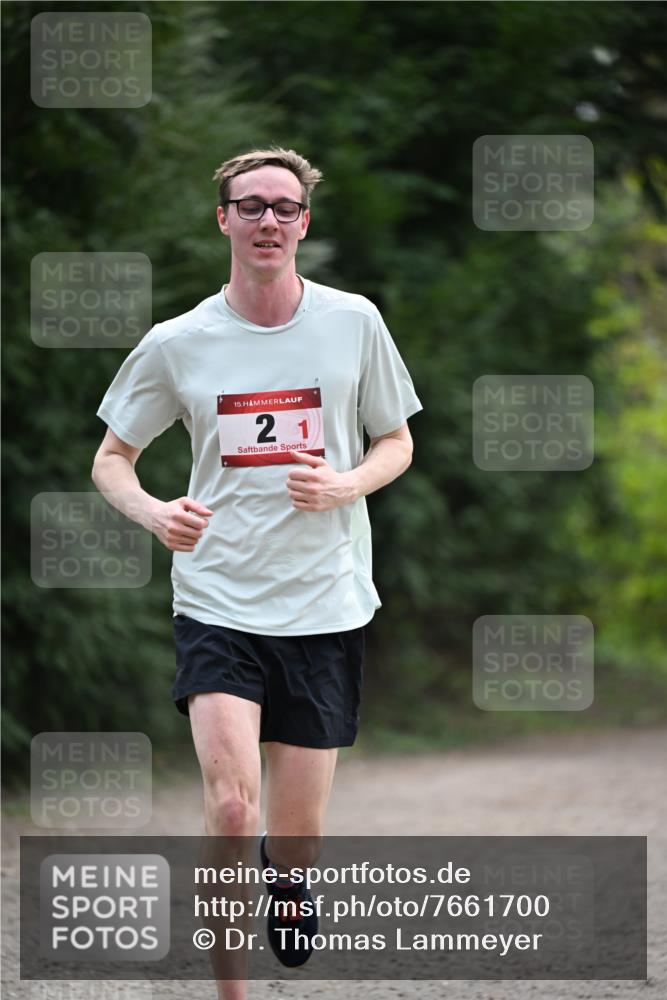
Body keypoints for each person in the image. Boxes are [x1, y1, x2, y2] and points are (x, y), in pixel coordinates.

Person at [92, 147, 422, 998]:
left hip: (324, 604)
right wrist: (154, 513)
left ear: (304, 223)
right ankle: (231, 993)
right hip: (217, 602)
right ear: (224, 221)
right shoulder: (179, 342)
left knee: (293, 834)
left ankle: (289, 874)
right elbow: (111, 460)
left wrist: (344, 483)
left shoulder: (353, 322)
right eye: (251, 206)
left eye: (283, 207)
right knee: (232, 807)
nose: (268, 220)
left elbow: (397, 440)